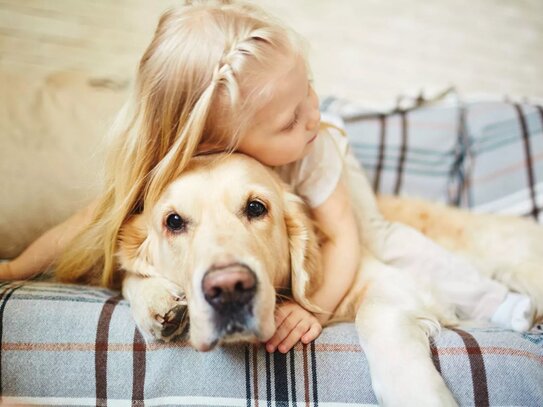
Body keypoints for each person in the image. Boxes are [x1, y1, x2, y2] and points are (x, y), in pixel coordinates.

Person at [0, 0, 533, 353]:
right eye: (289, 116)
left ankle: (496, 303)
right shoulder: (184, 169)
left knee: (394, 242)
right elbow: (93, 223)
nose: (315, 114)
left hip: (350, 205)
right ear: (224, 141)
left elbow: (345, 235)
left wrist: (312, 308)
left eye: (311, 91)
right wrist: (19, 266)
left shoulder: (314, 143)